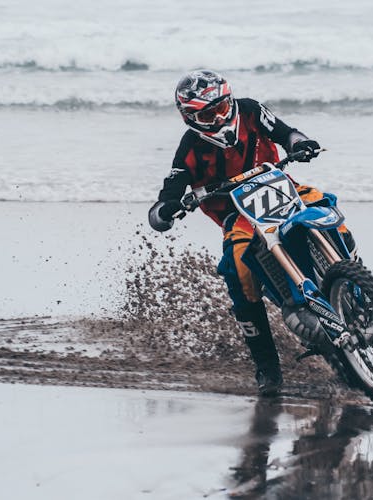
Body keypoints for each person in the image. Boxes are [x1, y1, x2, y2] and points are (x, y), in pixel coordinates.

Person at [148, 70, 353, 396]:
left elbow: (285, 132)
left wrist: (300, 143)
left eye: (224, 106)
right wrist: (165, 210)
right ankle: (267, 366)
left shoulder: (250, 110)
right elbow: (172, 187)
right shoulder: (189, 147)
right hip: (240, 214)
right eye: (209, 114)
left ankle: (358, 286)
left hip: (284, 189)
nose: (221, 116)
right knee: (238, 270)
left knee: (330, 212)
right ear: (191, 118)